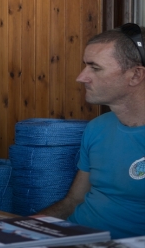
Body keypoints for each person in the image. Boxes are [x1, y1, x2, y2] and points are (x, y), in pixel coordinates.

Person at [38, 23, 145, 238]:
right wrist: (19, 228)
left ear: (135, 75)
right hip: (73, 236)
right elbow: (73, 201)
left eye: (95, 68)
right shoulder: (97, 128)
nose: (81, 77)